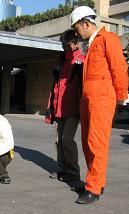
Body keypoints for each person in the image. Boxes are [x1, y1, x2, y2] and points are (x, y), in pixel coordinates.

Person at [70, 6, 129, 204]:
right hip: (88, 100)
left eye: (76, 28)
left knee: (97, 143)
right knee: (88, 142)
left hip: (101, 99)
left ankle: (94, 188)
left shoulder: (108, 39)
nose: (76, 33)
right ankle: (93, 180)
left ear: (86, 23)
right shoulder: (90, 44)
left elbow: (119, 68)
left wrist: (121, 95)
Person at [45, 29, 85, 183]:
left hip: (74, 109)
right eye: (63, 45)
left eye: (68, 45)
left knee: (67, 139)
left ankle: (74, 172)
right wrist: (51, 107)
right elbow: (55, 87)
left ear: (76, 43)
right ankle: (62, 168)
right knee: (59, 141)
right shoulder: (61, 62)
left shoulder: (81, 60)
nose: (65, 48)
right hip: (59, 108)